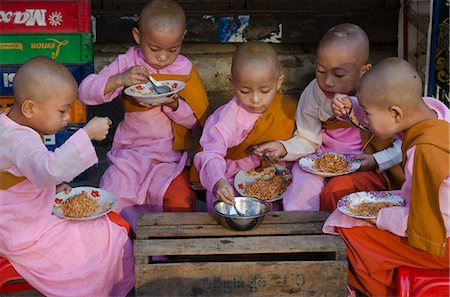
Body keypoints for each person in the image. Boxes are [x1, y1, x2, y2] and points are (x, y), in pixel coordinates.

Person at [0, 56, 134, 297]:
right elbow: (48, 169)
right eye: (62, 111)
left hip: (18, 219)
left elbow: (22, 175)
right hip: (24, 232)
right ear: (30, 108)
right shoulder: (19, 139)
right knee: (106, 238)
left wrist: (54, 188)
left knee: (105, 229)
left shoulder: (7, 123)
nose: (67, 118)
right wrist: (86, 134)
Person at [323, 57, 450, 297]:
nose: (366, 120)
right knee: (344, 208)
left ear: (395, 113)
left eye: (367, 114)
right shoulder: (432, 114)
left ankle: (380, 290)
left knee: (349, 231)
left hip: (441, 244)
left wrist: (378, 216)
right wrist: (353, 107)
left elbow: (434, 221)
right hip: (429, 220)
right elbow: (383, 107)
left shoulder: (428, 151)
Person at [78, 0, 209, 230]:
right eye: (155, 48)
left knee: (178, 201)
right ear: (138, 36)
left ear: (183, 37)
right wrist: (121, 79)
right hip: (129, 153)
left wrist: (174, 105)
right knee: (111, 196)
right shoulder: (129, 61)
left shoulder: (184, 69)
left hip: (168, 158)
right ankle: (122, 248)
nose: (163, 58)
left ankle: (166, 255)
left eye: (173, 49)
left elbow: (196, 120)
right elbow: (86, 92)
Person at [254, 23, 404, 211]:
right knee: (300, 187)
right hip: (320, 161)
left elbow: (403, 144)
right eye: (320, 71)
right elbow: (307, 138)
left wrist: (377, 160)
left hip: (365, 164)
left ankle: (332, 235)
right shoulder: (314, 93)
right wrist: (283, 148)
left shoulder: (381, 95)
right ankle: (301, 231)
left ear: (363, 71)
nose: (327, 82)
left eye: (339, 74)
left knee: (337, 191)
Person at [193, 42, 297, 211]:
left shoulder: (286, 108)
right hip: (232, 182)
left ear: (279, 82)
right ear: (232, 82)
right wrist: (218, 181)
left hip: (274, 179)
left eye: (264, 91)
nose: (255, 99)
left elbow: (300, 142)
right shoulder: (226, 117)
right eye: (245, 91)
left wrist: (282, 148)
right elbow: (210, 153)